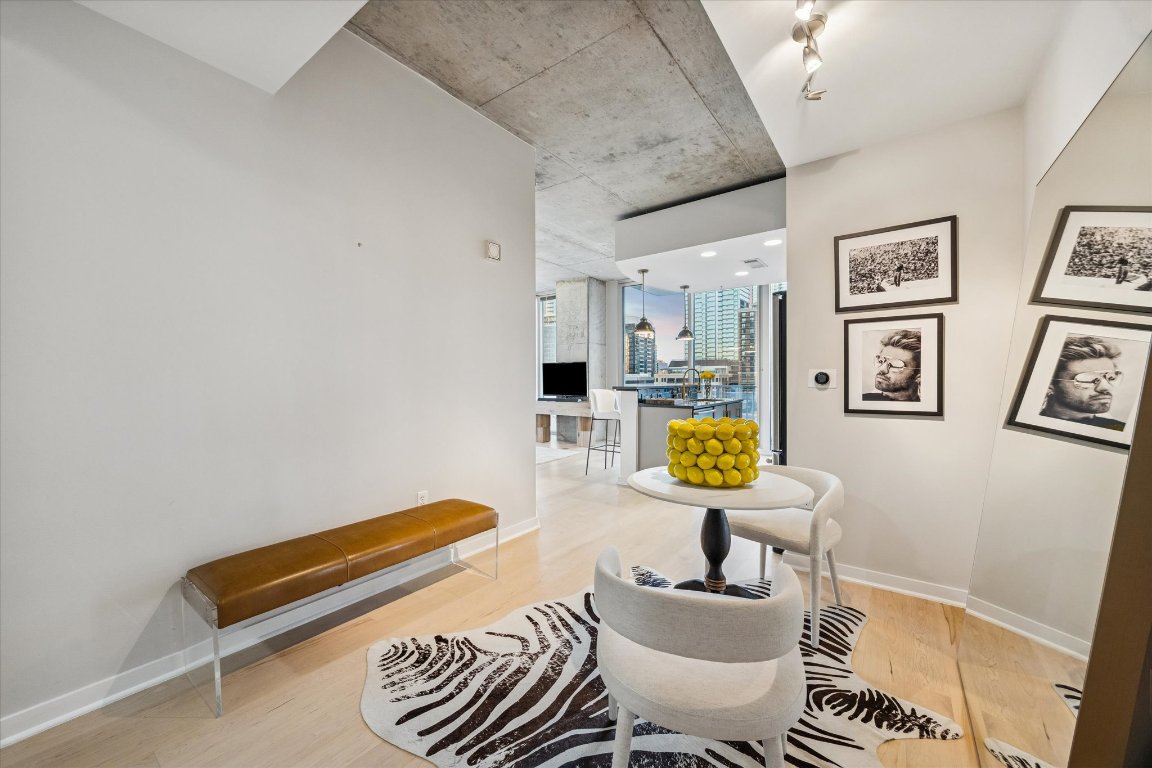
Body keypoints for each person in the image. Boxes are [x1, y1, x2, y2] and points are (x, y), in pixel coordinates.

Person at [1040, 335, 1126, 430]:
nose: (1105, 388)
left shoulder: (1117, 429)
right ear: (1049, 385)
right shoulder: (1031, 423)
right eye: (1088, 378)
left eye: (1110, 377)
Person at [863, 329, 920, 402]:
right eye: (881, 361)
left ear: (918, 374)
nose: (882, 370)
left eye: (895, 364)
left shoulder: (927, 406)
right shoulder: (865, 401)